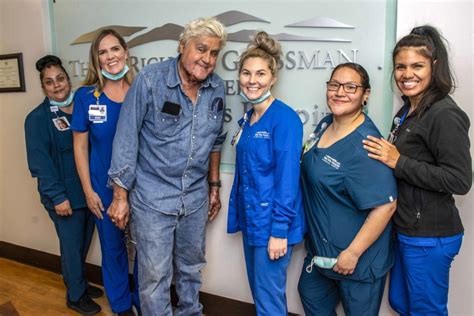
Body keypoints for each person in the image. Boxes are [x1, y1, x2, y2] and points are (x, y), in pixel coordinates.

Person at [106, 17, 227, 315]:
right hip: (152, 200)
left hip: (195, 200)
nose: (207, 59)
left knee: (191, 270)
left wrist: (214, 187)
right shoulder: (150, 80)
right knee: (154, 277)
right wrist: (120, 198)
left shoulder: (217, 88)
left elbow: (215, 141)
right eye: (201, 49)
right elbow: (126, 140)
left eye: (214, 54)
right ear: (183, 46)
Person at [363, 25, 472, 315]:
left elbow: (459, 180)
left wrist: (399, 161)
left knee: (426, 311)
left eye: (417, 66)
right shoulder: (407, 110)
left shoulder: (444, 114)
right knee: (400, 302)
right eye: (400, 66)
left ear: (433, 67)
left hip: (429, 235)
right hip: (405, 228)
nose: (407, 74)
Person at [298, 63, 398, 315]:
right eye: (334, 85)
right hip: (320, 254)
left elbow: (386, 205)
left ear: (365, 94)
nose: (340, 92)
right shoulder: (323, 125)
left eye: (351, 87)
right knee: (310, 294)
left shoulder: (368, 145)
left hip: (358, 261)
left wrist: (352, 253)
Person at [226, 31, 305, 315]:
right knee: (262, 296)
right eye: (246, 73)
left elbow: (287, 180)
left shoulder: (284, 119)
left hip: (272, 224)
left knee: (269, 300)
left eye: (260, 74)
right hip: (253, 221)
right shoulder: (249, 117)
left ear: (273, 78)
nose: (252, 80)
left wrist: (279, 231)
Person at [25, 55, 103, 315]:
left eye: (60, 79)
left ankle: (77, 282)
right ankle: (75, 295)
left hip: (87, 194)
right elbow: (40, 164)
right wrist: (58, 197)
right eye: (49, 82)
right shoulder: (37, 119)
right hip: (64, 198)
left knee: (81, 245)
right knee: (71, 247)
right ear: (44, 87)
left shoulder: (81, 107)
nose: (56, 85)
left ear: (68, 80)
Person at [71, 29, 139, 315]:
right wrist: (88, 190)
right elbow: (80, 148)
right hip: (103, 187)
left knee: (147, 250)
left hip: (142, 187)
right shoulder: (87, 96)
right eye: (102, 52)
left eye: (114, 49)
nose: (110, 56)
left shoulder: (141, 90)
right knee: (113, 249)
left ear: (125, 52)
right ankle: (122, 305)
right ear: (96, 59)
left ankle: (142, 297)